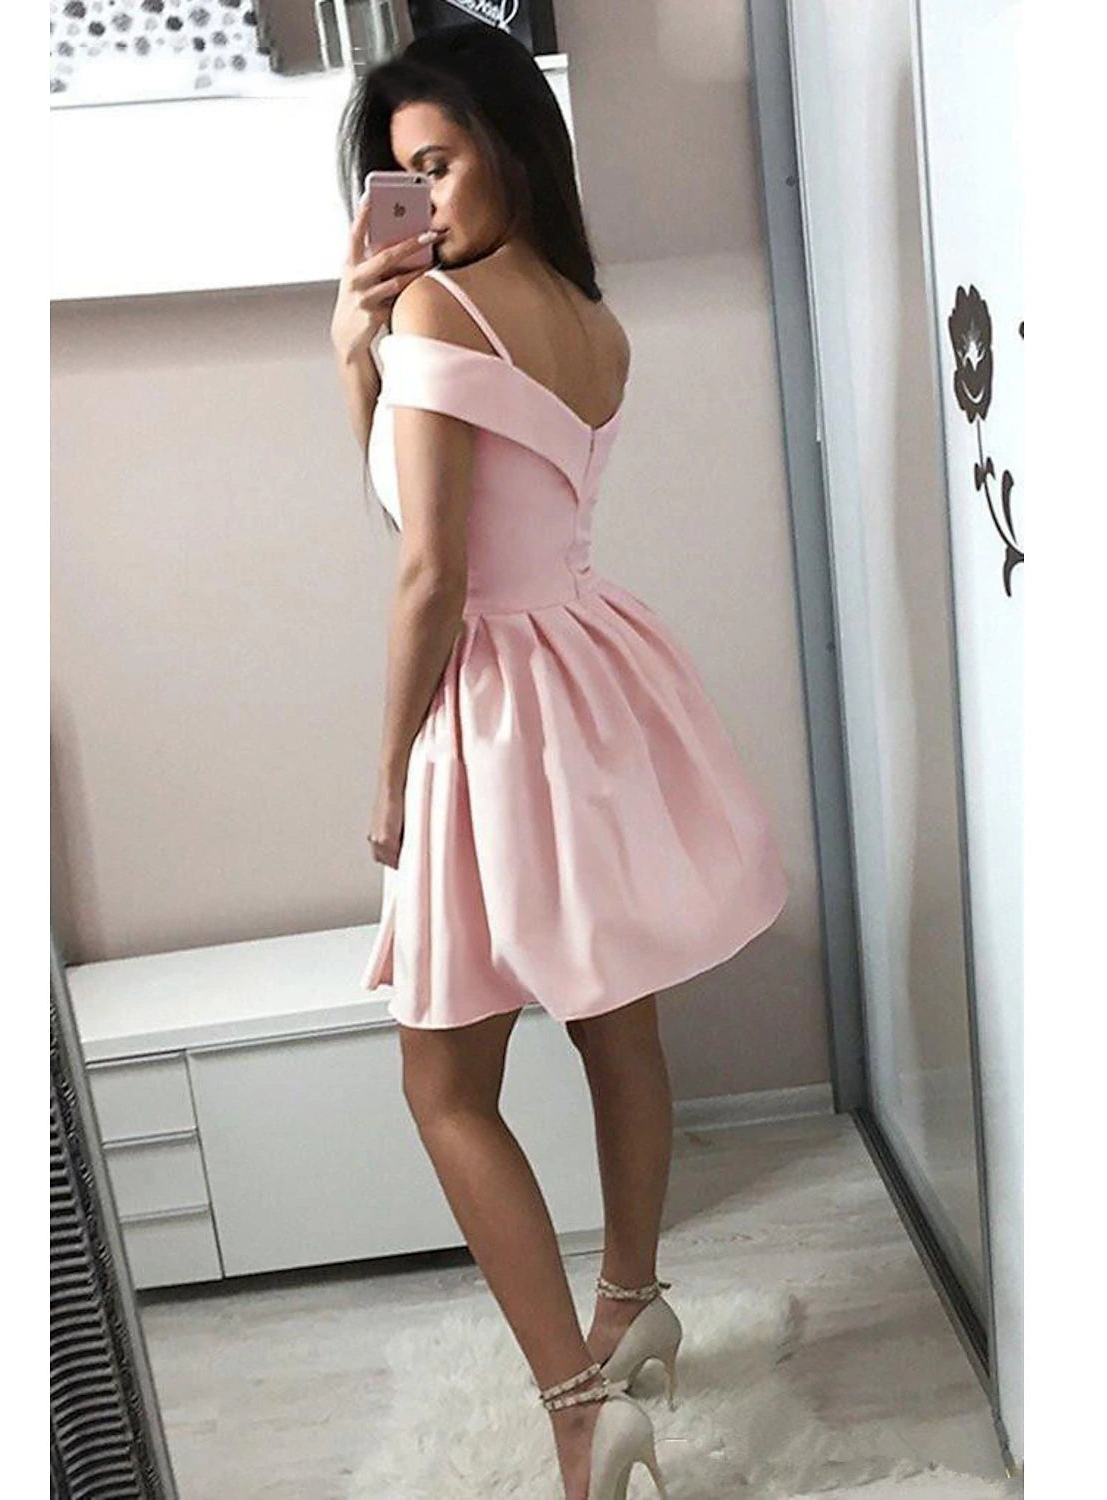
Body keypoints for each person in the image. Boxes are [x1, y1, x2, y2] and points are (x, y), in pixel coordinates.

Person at [330, 24, 790, 1500]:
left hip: (492, 700)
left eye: (442, 162)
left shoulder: (442, 312)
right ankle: (632, 1300)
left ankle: (582, 1411)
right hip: (592, 675)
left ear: (515, 145)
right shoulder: (592, 317)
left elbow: (424, 568)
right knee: (613, 1017)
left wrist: (388, 771)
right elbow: (445, 515)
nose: (423, 200)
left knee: (444, 1083)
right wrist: (355, 349)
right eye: (402, 176)